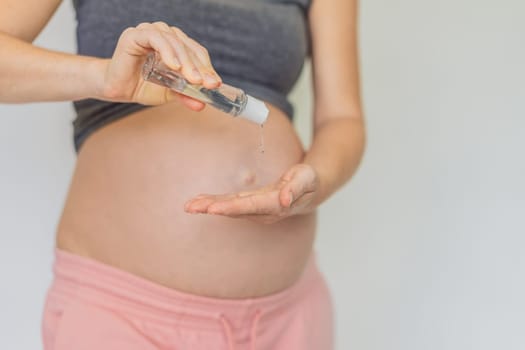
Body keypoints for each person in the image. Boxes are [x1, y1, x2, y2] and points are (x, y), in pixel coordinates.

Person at [0, 0, 364, 348]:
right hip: (124, 316)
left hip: (287, 320)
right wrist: (104, 77)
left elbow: (342, 118)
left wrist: (316, 180)